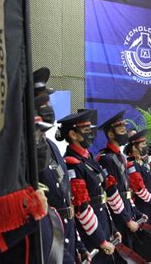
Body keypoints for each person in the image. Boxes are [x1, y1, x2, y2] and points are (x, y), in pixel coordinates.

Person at [34, 67, 91, 264]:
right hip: (47, 240)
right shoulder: (25, 152)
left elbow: (66, 201)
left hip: (66, 232)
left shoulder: (52, 147)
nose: (49, 107)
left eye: (49, 102)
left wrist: (79, 246)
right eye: (44, 102)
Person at [57, 110, 119, 264]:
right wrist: (101, 240)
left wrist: (113, 229)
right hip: (91, 234)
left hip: (104, 224)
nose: (91, 134)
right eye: (86, 131)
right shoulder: (72, 163)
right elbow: (81, 207)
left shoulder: (88, 157)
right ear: (73, 134)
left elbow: (102, 195)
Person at [97, 111, 145, 254]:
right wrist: (126, 219)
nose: (125, 132)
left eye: (125, 129)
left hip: (126, 208)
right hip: (117, 213)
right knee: (122, 253)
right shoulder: (106, 158)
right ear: (111, 135)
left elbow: (126, 190)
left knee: (131, 249)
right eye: (121, 130)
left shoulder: (120, 157)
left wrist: (134, 212)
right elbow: (111, 192)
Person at [125, 130, 151, 226]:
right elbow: (140, 190)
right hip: (143, 207)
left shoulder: (142, 162)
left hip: (150, 205)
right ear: (134, 147)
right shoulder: (132, 165)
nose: (145, 146)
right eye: (142, 144)